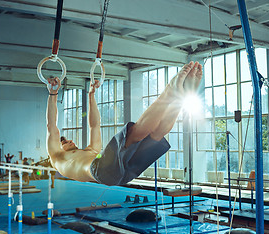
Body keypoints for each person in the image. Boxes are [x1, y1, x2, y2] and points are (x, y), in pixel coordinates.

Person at [46, 61, 202, 186]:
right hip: (101, 172)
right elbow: (51, 127)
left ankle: (179, 99)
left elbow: (94, 125)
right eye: (65, 142)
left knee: (156, 135)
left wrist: (91, 95)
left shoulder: (90, 150)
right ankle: (171, 90)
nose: (70, 141)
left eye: (68, 139)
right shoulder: (56, 157)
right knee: (132, 134)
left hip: (122, 175)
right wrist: (53, 94)